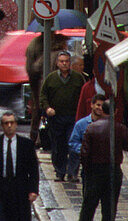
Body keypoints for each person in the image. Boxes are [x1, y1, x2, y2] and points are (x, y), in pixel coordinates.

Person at [0, 111, 40, 221]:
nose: (9, 126)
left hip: (19, 189)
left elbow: (33, 169)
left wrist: (33, 190)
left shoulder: (26, 144)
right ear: (2, 126)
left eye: (11, 123)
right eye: (6, 123)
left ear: (16, 124)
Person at [78, 100, 128, 221]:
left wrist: (87, 170)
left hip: (94, 171)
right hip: (113, 171)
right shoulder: (120, 128)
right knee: (109, 208)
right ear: (115, 111)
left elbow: (84, 153)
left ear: (102, 110)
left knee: (88, 207)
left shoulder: (91, 128)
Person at [40, 50, 86, 182]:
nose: (64, 64)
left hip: (73, 118)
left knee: (73, 145)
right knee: (58, 146)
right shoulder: (51, 78)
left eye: (66, 61)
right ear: (57, 63)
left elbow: (83, 97)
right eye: (62, 61)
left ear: (70, 63)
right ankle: (60, 171)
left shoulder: (78, 78)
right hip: (56, 118)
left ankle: (72, 172)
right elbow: (43, 96)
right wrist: (47, 108)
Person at [66, 94, 107, 183]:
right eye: (98, 105)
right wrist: (84, 150)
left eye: (102, 106)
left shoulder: (108, 124)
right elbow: (73, 142)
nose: (100, 108)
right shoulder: (81, 124)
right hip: (88, 165)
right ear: (92, 105)